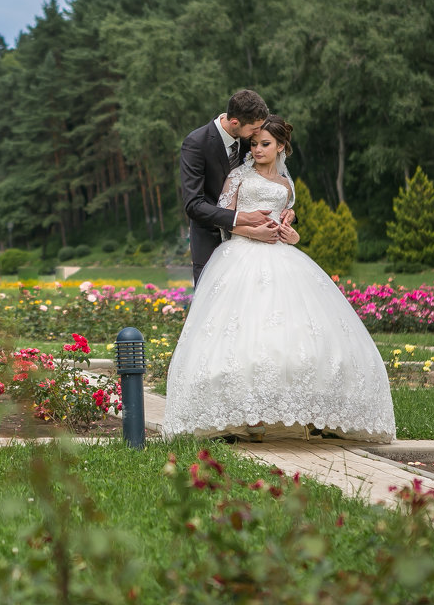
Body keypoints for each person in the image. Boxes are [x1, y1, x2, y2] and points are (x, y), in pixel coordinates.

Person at [162, 115, 396, 443]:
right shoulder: (237, 177)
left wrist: (291, 233)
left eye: (265, 144)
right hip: (240, 256)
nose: (257, 149)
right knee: (241, 335)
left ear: (281, 147)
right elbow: (226, 221)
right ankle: (242, 417)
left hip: (282, 259)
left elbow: (290, 232)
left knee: (298, 333)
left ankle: (313, 411)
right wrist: (254, 232)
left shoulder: (287, 186)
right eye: (254, 144)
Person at [180, 90, 284, 285]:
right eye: (254, 128)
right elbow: (193, 204)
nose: (258, 133)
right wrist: (242, 218)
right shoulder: (196, 143)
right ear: (235, 122)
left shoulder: (252, 142)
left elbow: (274, 178)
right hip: (210, 243)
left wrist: (287, 212)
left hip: (257, 249)